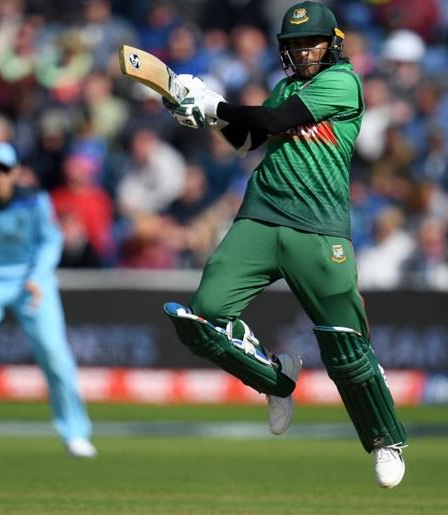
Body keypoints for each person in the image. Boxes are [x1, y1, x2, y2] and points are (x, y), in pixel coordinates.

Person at [162, 1, 407, 488]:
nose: (302, 52)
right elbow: (251, 138)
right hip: (261, 215)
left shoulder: (344, 82)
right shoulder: (284, 87)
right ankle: (276, 381)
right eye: (293, 45)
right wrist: (202, 108)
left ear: (332, 43)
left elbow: (275, 122)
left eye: (310, 43)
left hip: (319, 228)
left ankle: (386, 441)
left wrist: (215, 105)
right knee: (201, 317)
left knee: (344, 348)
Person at [0, 142, 96, 460]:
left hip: (30, 283)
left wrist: (38, 274)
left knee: (55, 353)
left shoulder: (35, 201)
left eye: (4, 170)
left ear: (15, 172)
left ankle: (75, 433)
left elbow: (50, 239)